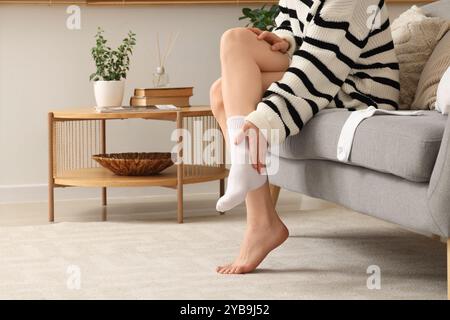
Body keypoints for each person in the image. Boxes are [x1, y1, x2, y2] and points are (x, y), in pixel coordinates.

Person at [210, 0, 399, 274]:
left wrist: (265, 120)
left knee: (224, 88)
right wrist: (285, 41)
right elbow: (294, 27)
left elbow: (321, 67)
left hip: (357, 88)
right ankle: (262, 219)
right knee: (231, 52)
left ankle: (256, 210)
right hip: (323, 68)